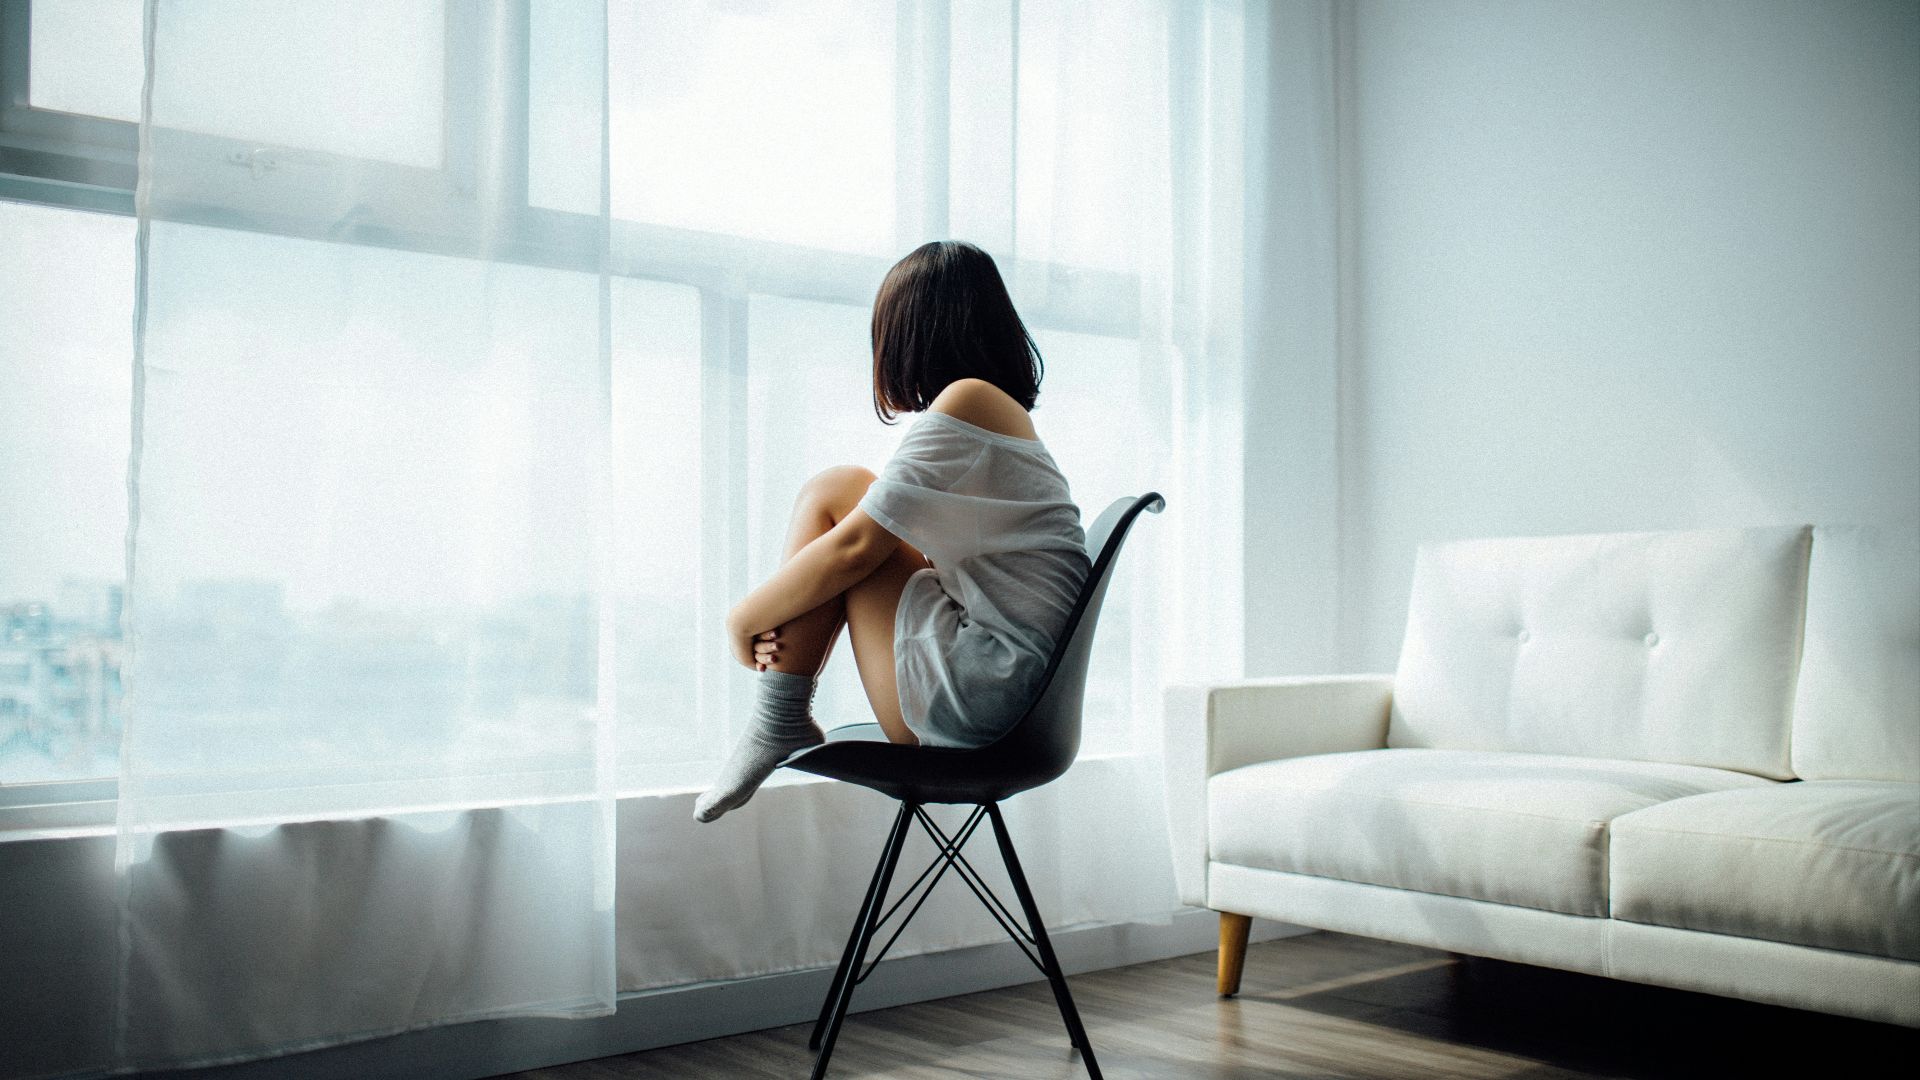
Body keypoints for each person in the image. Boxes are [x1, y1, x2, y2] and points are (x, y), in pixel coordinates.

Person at [694, 240, 1093, 823]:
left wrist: (742, 619)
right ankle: (778, 717)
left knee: (836, 494)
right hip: (1013, 696)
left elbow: (856, 550)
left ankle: (776, 717)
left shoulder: (970, 401)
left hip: (984, 701)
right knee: (847, 491)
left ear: (911, 333)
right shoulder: (996, 414)